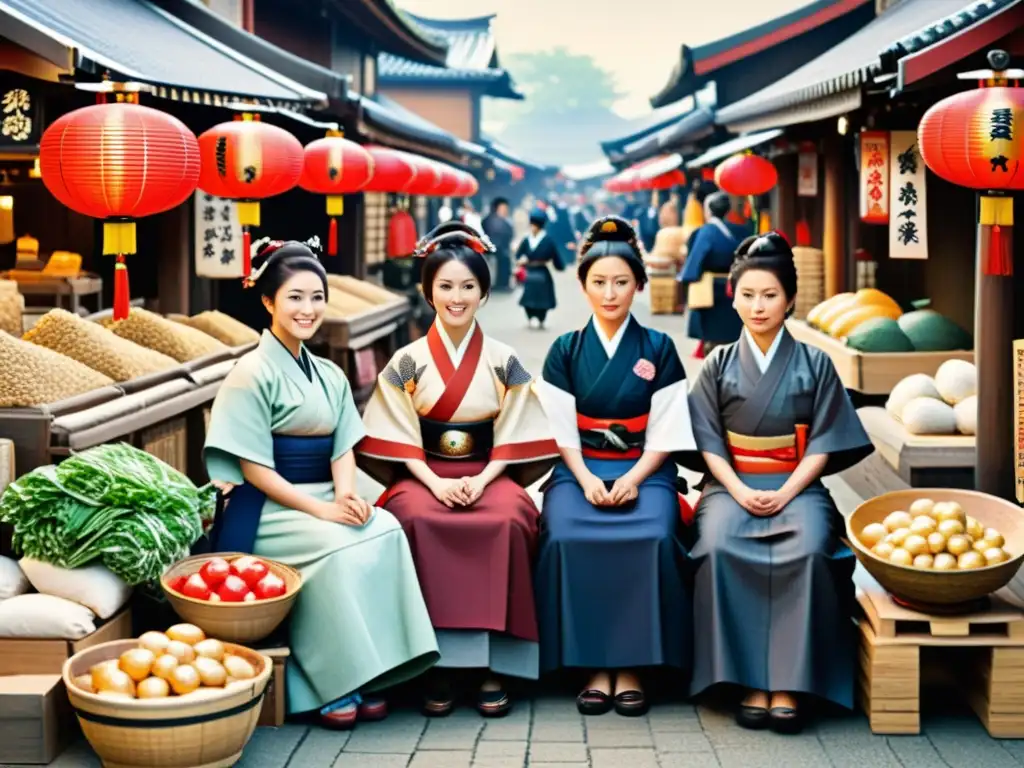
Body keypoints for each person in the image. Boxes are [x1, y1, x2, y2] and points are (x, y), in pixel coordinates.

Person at [203, 237, 439, 730]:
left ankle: (379, 669)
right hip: (267, 505)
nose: (307, 309)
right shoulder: (250, 372)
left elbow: (342, 447)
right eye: (294, 297)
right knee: (336, 548)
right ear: (268, 301)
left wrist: (347, 494)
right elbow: (253, 469)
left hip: (324, 495)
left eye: (316, 297)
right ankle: (335, 682)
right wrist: (323, 512)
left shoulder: (329, 372)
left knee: (385, 529)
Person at [357, 222, 559, 719]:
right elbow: (395, 430)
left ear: (485, 293)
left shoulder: (504, 358)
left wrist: (484, 479)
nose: (457, 296)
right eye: (445, 286)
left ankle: (497, 663)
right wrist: (434, 481)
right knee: (411, 521)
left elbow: (516, 427)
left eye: (468, 286)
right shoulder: (406, 360)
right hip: (423, 471)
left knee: (511, 519)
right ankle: (431, 664)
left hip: (489, 469)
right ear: (428, 293)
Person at [684, 232, 873, 734]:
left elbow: (827, 440)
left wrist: (789, 490)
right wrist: (739, 489)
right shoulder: (718, 363)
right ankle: (744, 679)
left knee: (811, 549)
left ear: (791, 299)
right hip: (730, 483)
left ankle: (791, 682)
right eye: (747, 295)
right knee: (718, 546)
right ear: (733, 296)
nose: (758, 306)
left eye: (770, 295)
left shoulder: (815, 363)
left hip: (799, 483)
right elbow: (706, 439)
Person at [533, 216, 696, 717]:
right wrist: (584, 479)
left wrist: (630, 479)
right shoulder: (565, 350)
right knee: (562, 534)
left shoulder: (659, 348)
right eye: (599, 282)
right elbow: (560, 430)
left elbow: (667, 430)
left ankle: (635, 666)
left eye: (621, 282)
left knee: (654, 533)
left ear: (639, 285)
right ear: (582, 285)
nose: (610, 293)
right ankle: (589, 664)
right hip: (579, 466)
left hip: (643, 466)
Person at [678, 192, 747, 356]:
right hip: (732, 285)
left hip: (710, 289)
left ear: (708, 210)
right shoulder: (738, 229)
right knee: (729, 330)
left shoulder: (707, 231)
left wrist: (687, 277)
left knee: (713, 333)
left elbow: (697, 257)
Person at [515, 209, 564, 329]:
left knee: (543, 299)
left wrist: (559, 266)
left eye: (534, 225)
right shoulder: (527, 240)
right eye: (531, 225)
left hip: (542, 270)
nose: (532, 228)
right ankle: (531, 317)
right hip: (529, 271)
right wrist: (521, 260)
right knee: (528, 297)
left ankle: (541, 318)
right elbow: (518, 254)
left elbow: (556, 258)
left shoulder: (548, 240)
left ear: (540, 226)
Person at [483, 197, 514, 293]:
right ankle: (501, 285)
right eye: (504, 209)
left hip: (499, 249)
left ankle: (501, 284)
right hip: (498, 250)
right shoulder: (495, 221)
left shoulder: (489, 219)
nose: (506, 211)